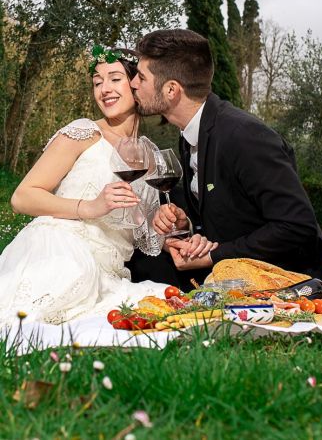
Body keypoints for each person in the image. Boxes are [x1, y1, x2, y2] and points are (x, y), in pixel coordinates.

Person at [0, 46, 213, 326]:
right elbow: (22, 197)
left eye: (114, 78)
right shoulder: (83, 133)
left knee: (167, 308)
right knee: (28, 321)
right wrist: (90, 207)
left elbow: (141, 235)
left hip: (110, 272)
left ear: (136, 84)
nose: (104, 89)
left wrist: (170, 228)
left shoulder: (150, 153)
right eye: (97, 82)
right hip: (60, 249)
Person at [128, 29, 322, 288]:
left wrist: (212, 256)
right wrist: (191, 227)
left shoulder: (245, 136)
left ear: (172, 89)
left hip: (293, 283)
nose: (133, 84)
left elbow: (296, 225)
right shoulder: (191, 134)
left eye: (141, 77)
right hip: (237, 277)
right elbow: (231, 214)